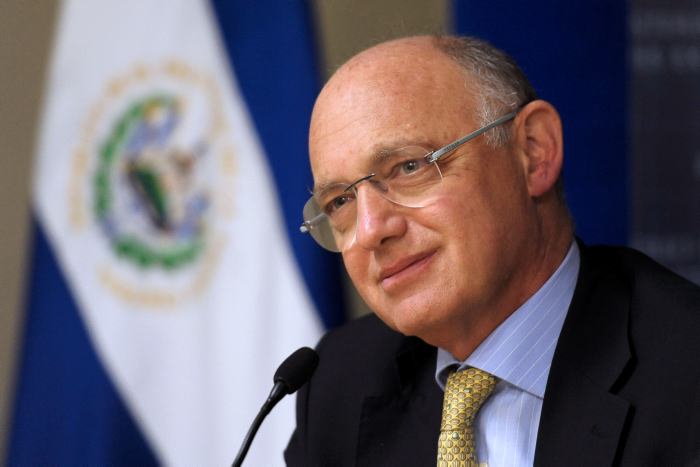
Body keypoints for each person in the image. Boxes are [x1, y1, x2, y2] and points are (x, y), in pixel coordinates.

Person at [285, 35, 700, 466]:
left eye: (410, 167)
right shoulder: (339, 383)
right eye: (340, 202)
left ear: (533, 151)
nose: (371, 230)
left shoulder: (687, 376)